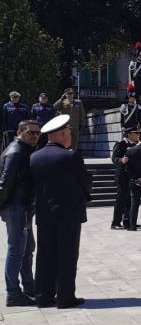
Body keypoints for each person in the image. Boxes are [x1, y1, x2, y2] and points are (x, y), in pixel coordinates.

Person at [31, 114, 91, 308]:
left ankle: (43, 296)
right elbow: (84, 182)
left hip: (44, 213)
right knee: (67, 255)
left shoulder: (34, 157)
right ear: (63, 134)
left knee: (45, 255)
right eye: (69, 133)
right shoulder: (70, 155)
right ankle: (65, 297)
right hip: (68, 213)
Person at [0, 119, 40, 305]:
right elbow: (5, 183)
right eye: (30, 132)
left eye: (37, 133)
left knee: (27, 249)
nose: (34, 136)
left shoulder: (24, 150)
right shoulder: (16, 152)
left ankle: (29, 286)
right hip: (17, 207)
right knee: (16, 250)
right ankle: (14, 293)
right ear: (19, 132)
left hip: (23, 206)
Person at [111, 127, 140, 229]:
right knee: (121, 200)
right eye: (136, 133)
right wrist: (121, 160)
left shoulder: (137, 145)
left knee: (130, 200)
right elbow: (114, 158)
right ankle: (115, 222)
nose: (138, 134)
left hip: (132, 176)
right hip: (122, 176)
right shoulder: (120, 144)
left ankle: (128, 221)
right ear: (129, 134)